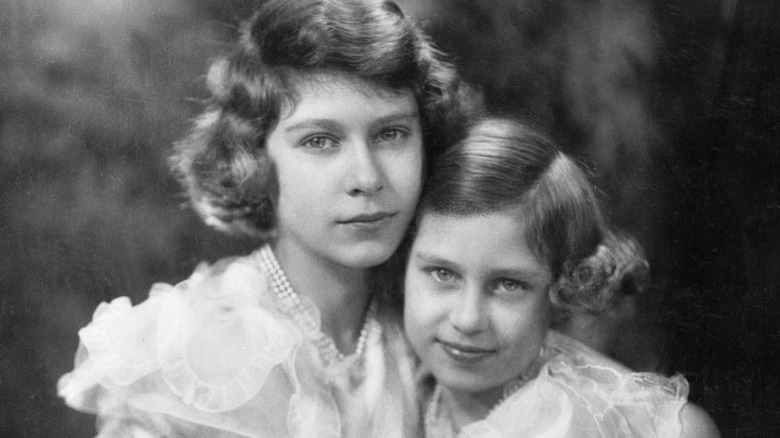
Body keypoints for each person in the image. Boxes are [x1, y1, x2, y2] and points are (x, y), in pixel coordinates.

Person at [57, 0, 473, 436]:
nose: (367, 178)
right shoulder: (192, 351)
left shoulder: (448, 327)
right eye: (320, 141)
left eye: (391, 134)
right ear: (255, 158)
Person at [403, 118, 720, 437]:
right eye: (443, 273)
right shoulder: (391, 384)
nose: (468, 319)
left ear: (563, 289)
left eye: (508, 284)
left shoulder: (589, 423)